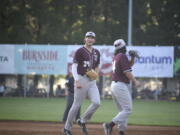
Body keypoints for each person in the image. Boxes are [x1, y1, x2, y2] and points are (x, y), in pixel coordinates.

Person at [64, 31, 101, 135]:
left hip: (92, 81)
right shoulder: (80, 51)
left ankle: (82, 120)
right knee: (76, 105)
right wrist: (77, 80)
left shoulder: (96, 52)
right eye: (88, 37)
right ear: (85, 39)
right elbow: (74, 67)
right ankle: (67, 128)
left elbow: (97, 65)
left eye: (92, 37)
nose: (90, 39)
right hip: (81, 78)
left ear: (94, 40)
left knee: (97, 102)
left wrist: (96, 74)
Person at [103, 39, 140, 135]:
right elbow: (127, 72)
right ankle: (109, 125)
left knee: (122, 111)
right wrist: (135, 81)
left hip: (115, 85)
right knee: (128, 110)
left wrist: (132, 58)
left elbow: (128, 66)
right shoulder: (122, 56)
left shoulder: (116, 56)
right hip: (120, 85)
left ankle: (121, 131)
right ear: (124, 47)